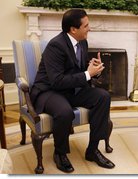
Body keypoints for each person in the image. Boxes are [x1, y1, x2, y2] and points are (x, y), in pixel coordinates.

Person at [29, 9, 115, 173]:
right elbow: (57, 81)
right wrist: (87, 74)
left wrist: (93, 70)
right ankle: (60, 153)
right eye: (86, 25)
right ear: (73, 29)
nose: (89, 28)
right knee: (64, 112)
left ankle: (93, 150)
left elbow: (80, 70)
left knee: (103, 97)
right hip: (49, 91)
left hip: (71, 89)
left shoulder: (82, 41)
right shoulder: (56, 45)